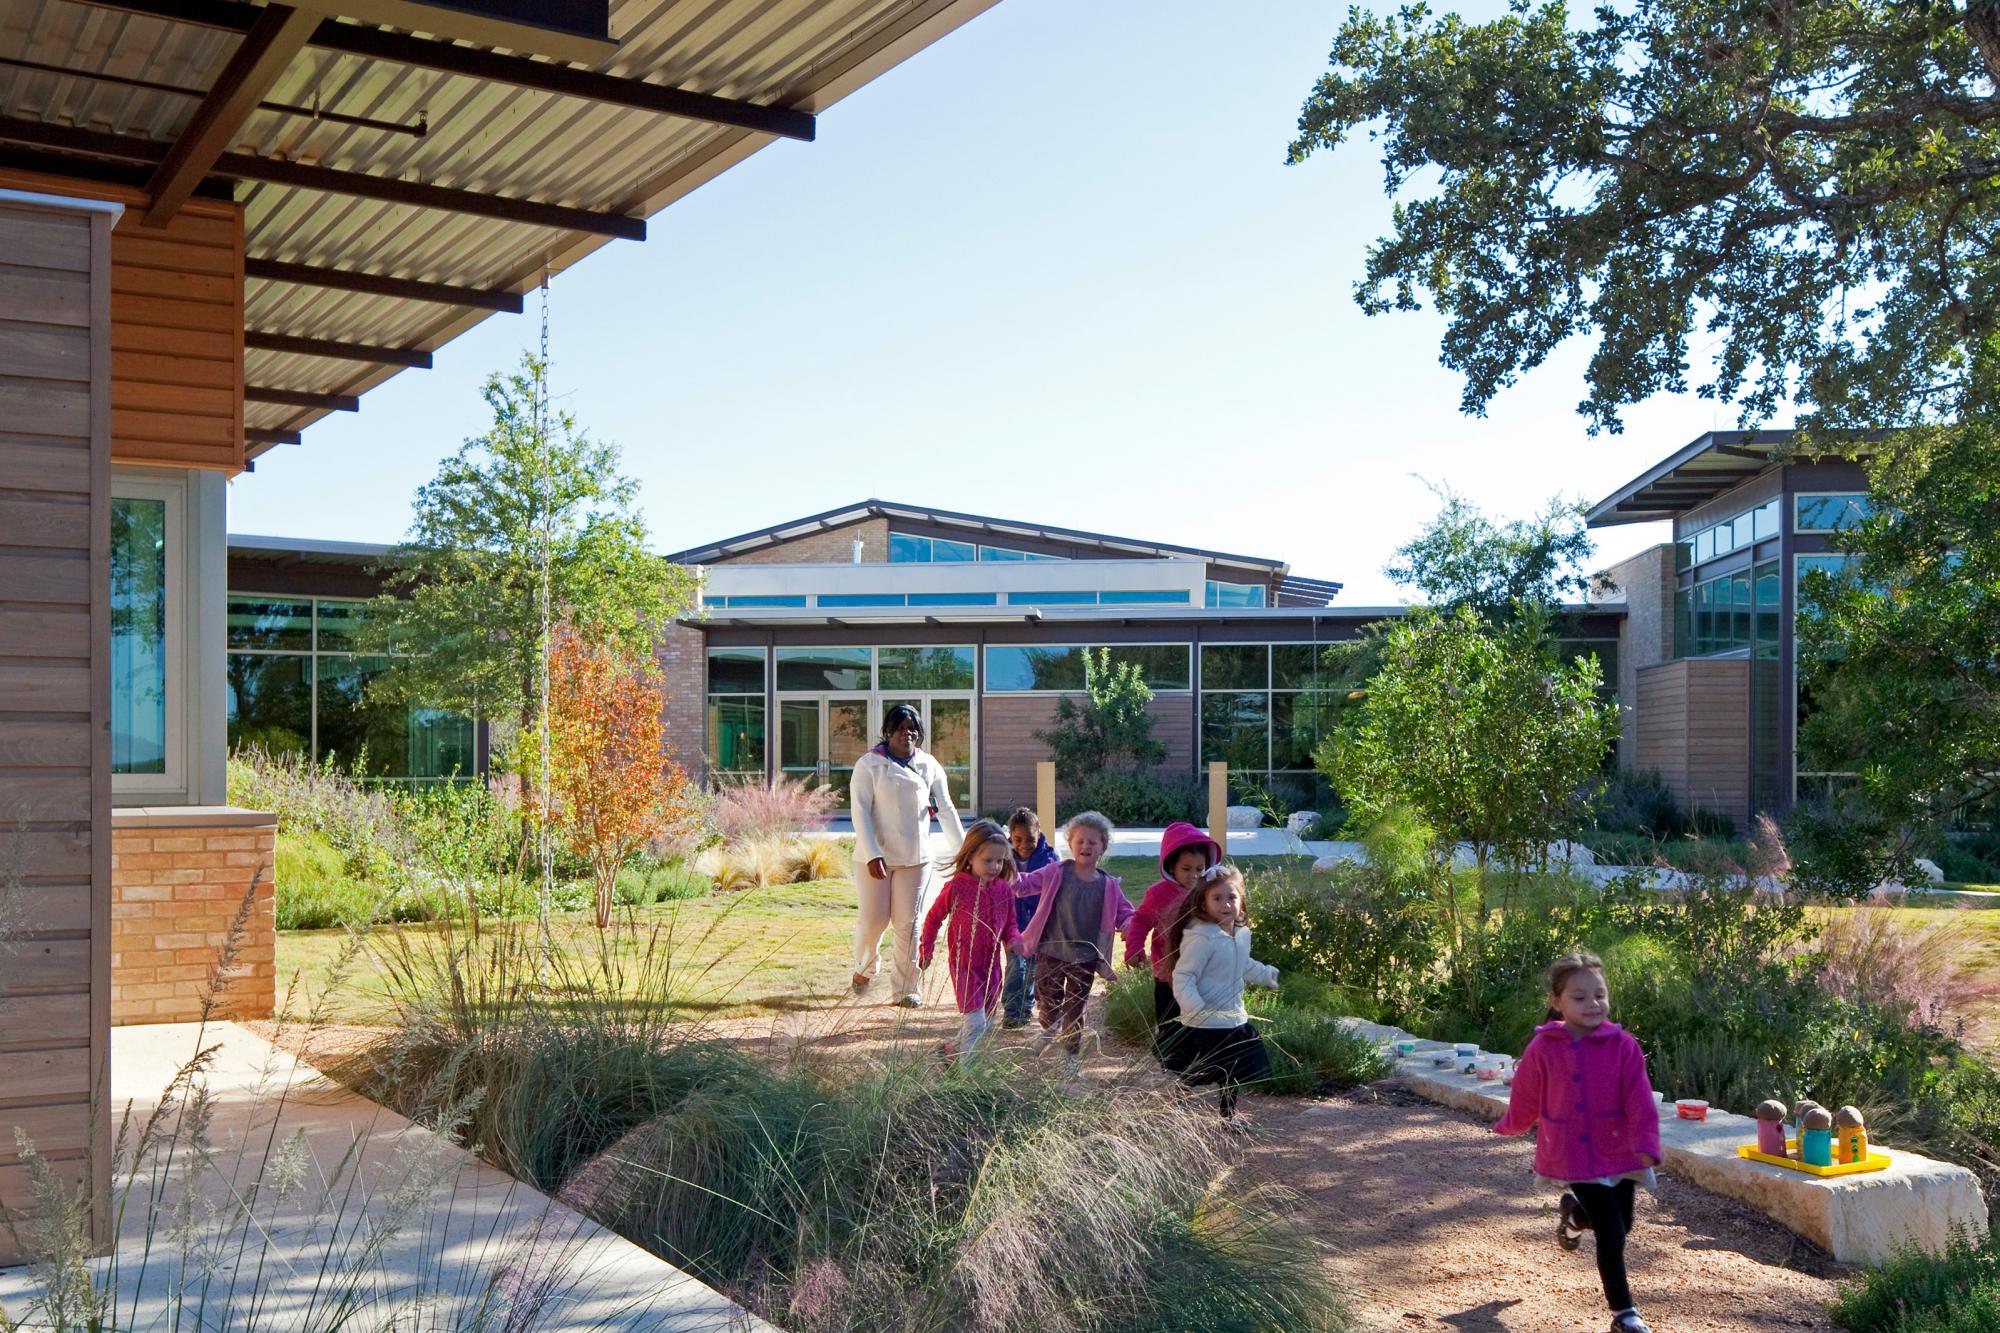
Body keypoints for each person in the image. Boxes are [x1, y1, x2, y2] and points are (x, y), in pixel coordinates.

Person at [1493, 952, 1661, 1333]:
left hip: (1620, 1150)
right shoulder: (1543, 1048)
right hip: (1573, 1152)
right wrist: (1511, 1125)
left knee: (1624, 1223)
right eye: (1580, 997)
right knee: (1612, 1232)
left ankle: (1573, 1213)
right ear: (1557, 1002)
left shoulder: (1624, 1046)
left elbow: (1639, 1099)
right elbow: (1526, 1096)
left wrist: (1648, 1142)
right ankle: (1624, 1315)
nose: (1593, 1004)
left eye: (1599, 995)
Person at [850, 703, 965, 1007]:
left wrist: (964, 853)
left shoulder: (929, 765)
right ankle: (864, 967)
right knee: (873, 921)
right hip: (874, 860)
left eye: (912, 728)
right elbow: (859, 811)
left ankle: (905, 990)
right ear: (888, 731)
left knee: (909, 924)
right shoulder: (869, 765)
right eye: (900, 728)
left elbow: (947, 809)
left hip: (916, 859)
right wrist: (873, 853)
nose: (907, 733)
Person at [1013, 811, 1132, 1079]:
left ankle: (1069, 1055)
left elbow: (1126, 912)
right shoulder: (1056, 871)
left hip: (1085, 958)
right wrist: (1003, 871)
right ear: (1070, 843)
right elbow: (1024, 885)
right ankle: (1047, 1031)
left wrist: (1128, 925)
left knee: (1075, 1009)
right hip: (1051, 952)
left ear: (1103, 846)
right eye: (1080, 841)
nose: (1086, 846)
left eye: (1093, 842)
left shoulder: (1109, 885)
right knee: (1049, 1003)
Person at [1166, 863, 1278, 1128]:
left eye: (1232, 897)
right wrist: (1194, 1006)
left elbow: (1243, 964)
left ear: (1242, 902)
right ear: (1204, 904)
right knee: (1202, 1069)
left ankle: (1228, 1113)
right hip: (1205, 1019)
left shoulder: (1240, 935)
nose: (1226, 904)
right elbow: (1184, 976)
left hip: (1233, 1016)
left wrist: (1264, 974)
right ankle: (1179, 1093)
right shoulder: (1201, 938)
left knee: (1234, 1070)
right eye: (1217, 898)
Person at [917, 820, 1021, 1061]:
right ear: (971, 855)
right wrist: (926, 950)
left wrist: (1014, 941)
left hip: (992, 969)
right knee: (975, 1022)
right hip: (965, 967)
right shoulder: (957, 887)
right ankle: (966, 1082)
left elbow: (1010, 925)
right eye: (988, 861)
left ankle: (951, 1052)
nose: (995, 866)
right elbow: (932, 919)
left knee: (985, 1024)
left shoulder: (1004, 889)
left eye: (1000, 861)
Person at [1125, 821, 1220, 1071]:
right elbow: (1141, 920)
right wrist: (1134, 949)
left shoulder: (1210, 892)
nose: (1194, 875)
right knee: (1169, 1026)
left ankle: (1187, 1073)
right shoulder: (1158, 894)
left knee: (1196, 1025)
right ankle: (1173, 1066)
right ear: (1171, 866)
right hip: (1167, 975)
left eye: (1200, 868)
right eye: (1186, 868)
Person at [1001, 808, 1059, 1029]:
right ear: (1010, 836)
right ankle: (1013, 1013)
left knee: (1033, 969)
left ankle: (1024, 1009)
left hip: (1039, 925)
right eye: (1017, 839)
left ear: (1039, 834)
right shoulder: (1003, 858)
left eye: (1030, 839)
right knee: (1017, 966)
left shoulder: (1050, 859)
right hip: (1012, 926)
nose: (1024, 844)